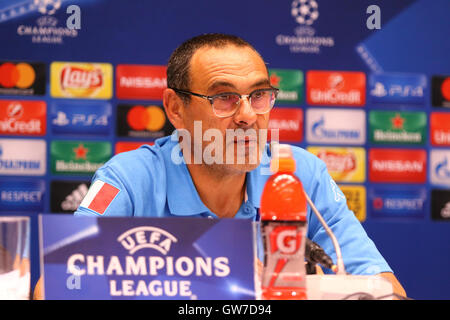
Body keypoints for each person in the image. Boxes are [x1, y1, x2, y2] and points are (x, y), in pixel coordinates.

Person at [36, 33, 406, 299]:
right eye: (224, 98)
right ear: (175, 108)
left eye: (259, 96)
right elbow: (52, 288)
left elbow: (386, 289)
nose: (247, 116)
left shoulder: (300, 173)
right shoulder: (129, 180)